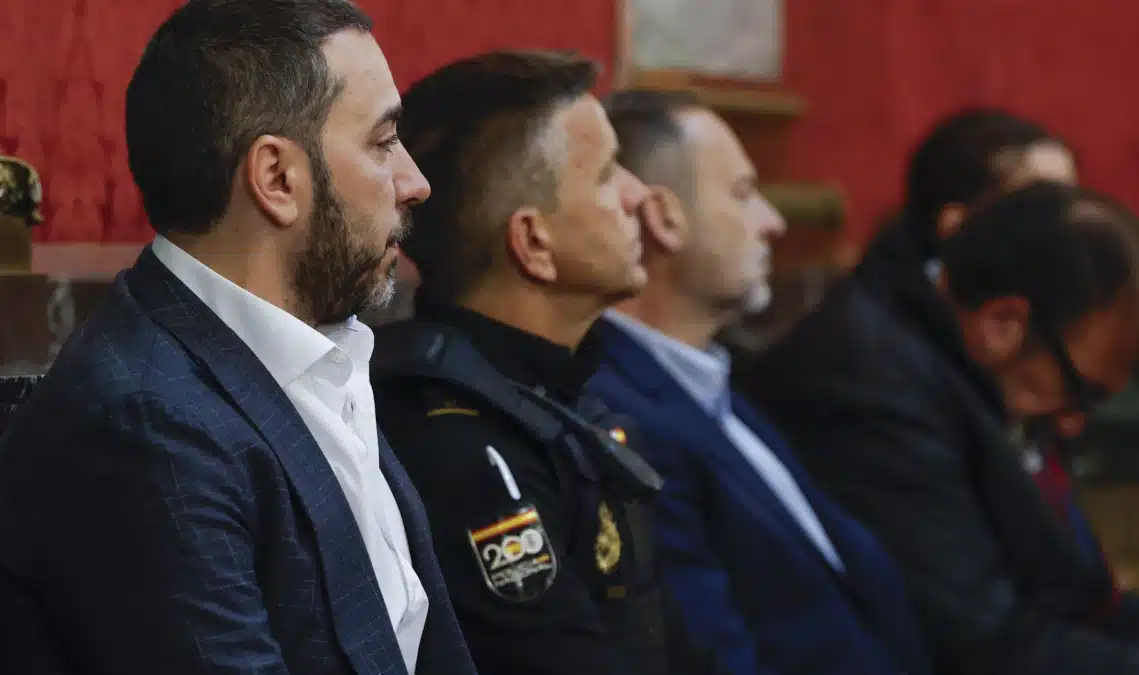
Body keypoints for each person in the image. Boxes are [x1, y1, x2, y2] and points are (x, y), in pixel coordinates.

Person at [0, 2, 476, 673]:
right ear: (277, 178)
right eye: (383, 142)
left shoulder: (319, 353)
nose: (414, 183)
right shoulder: (145, 426)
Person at [741, 108, 1139, 659]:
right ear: (1003, 323)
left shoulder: (990, 356)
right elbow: (984, 646)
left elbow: (1084, 594)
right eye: (1082, 392)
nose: (1076, 421)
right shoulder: (869, 387)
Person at [370, 51, 724, 675]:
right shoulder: (461, 450)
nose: (639, 194)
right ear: (534, 243)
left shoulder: (559, 393)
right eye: (608, 173)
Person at [582, 90, 932, 675]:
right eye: (744, 194)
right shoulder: (621, 416)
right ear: (663, 217)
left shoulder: (719, 384)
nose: (774, 222)